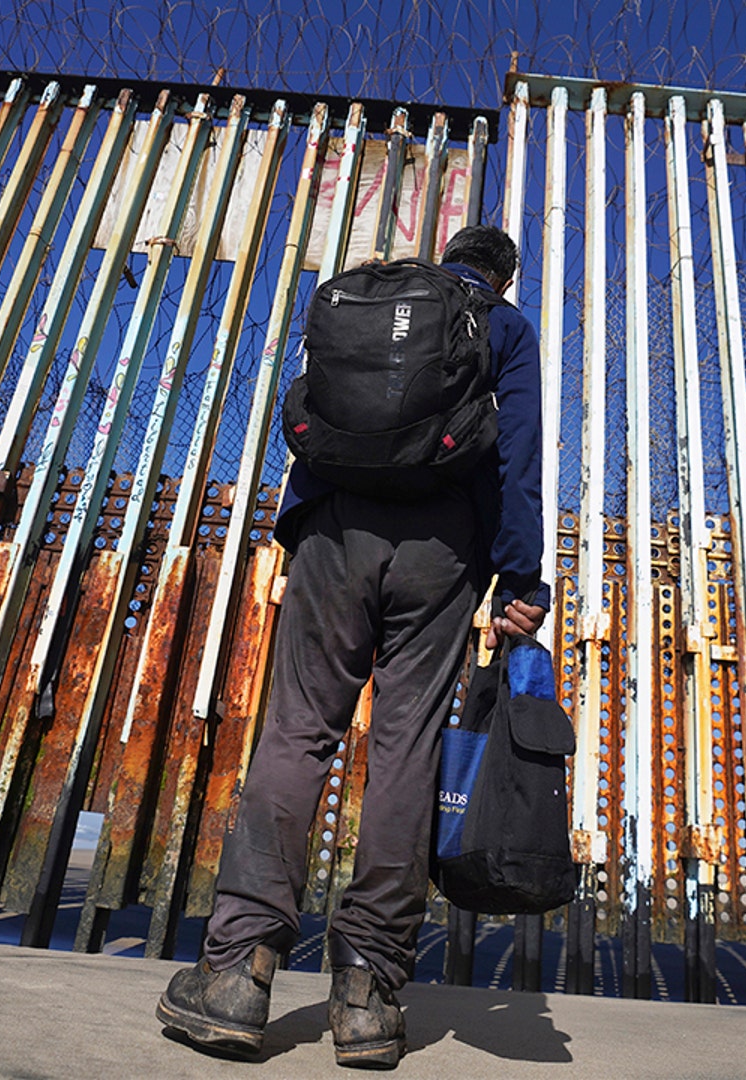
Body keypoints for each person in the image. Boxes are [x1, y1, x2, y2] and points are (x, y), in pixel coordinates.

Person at [156, 223, 549, 1069]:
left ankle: (236, 973)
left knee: (298, 733)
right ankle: (368, 994)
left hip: (334, 531)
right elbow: (515, 456)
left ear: (444, 258)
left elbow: (310, 410)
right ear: (503, 277)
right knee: (406, 750)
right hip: (443, 549)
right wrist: (520, 579)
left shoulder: (370, 299)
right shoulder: (504, 328)